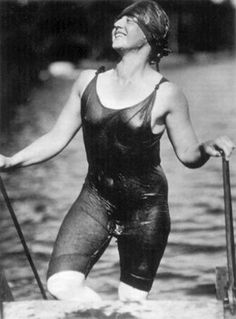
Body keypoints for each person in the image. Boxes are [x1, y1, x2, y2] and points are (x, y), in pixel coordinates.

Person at [0, 0, 234, 304]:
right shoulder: (87, 81)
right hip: (95, 199)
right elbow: (57, 137)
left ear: (150, 34)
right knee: (61, 285)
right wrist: (10, 161)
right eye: (118, 20)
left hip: (145, 210)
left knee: (131, 302)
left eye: (130, 21)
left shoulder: (167, 94)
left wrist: (207, 147)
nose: (117, 25)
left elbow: (188, 155)